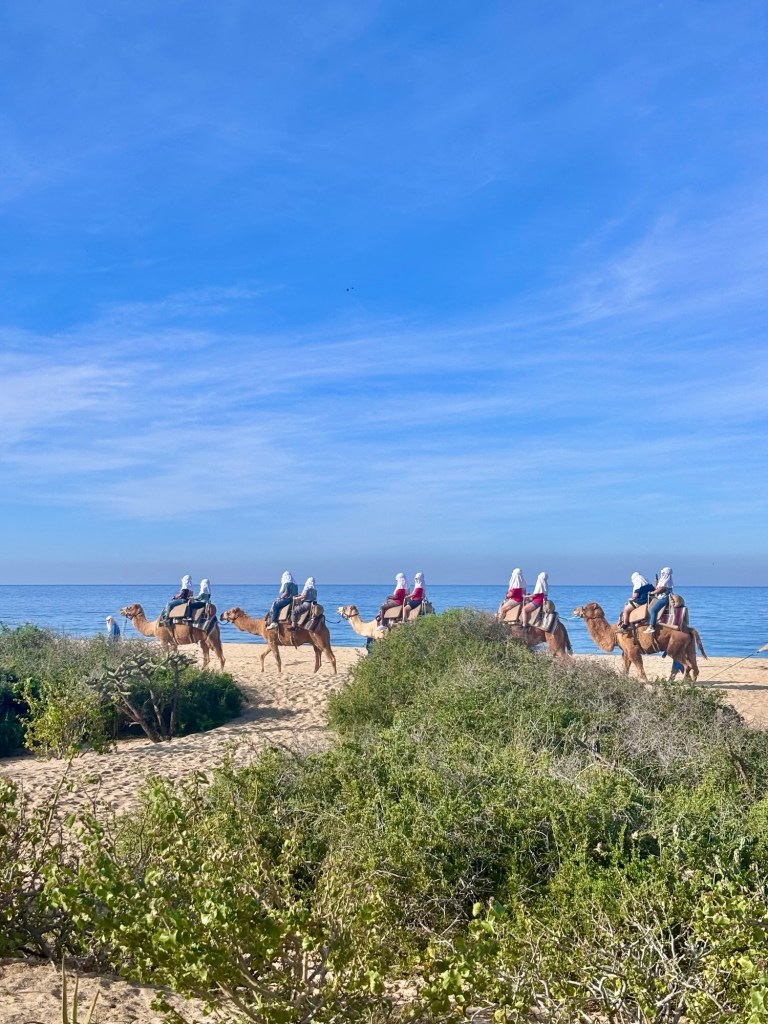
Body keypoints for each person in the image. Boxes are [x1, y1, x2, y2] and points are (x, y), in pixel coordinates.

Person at [644, 567, 674, 634]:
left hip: (664, 598)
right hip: (661, 597)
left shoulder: (666, 581)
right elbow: (658, 587)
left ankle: (652, 626)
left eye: (663, 573)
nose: (662, 574)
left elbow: (660, 589)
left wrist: (651, 593)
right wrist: (656, 581)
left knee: (653, 610)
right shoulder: (664, 580)